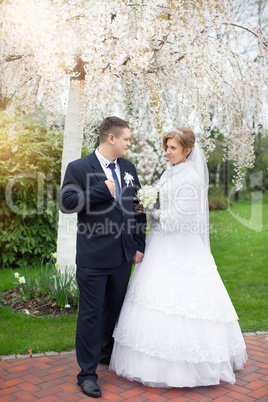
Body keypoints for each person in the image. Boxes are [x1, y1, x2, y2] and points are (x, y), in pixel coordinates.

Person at [110, 127, 247, 388]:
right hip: (160, 243)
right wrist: (138, 204)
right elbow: (157, 201)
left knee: (183, 303)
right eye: (167, 147)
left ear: (187, 150)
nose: (168, 152)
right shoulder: (169, 172)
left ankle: (187, 367)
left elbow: (175, 221)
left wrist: (151, 210)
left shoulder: (192, 180)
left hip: (180, 246)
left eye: (173, 148)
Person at [59, 116, 146, 398]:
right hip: (94, 258)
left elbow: (138, 207)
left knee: (115, 311)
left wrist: (139, 244)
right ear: (111, 138)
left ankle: (106, 355)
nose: (128, 143)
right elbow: (67, 203)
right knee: (90, 315)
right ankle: (86, 374)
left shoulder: (130, 168)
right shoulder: (79, 167)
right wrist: (99, 190)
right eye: (126, 139)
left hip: (123, 256)